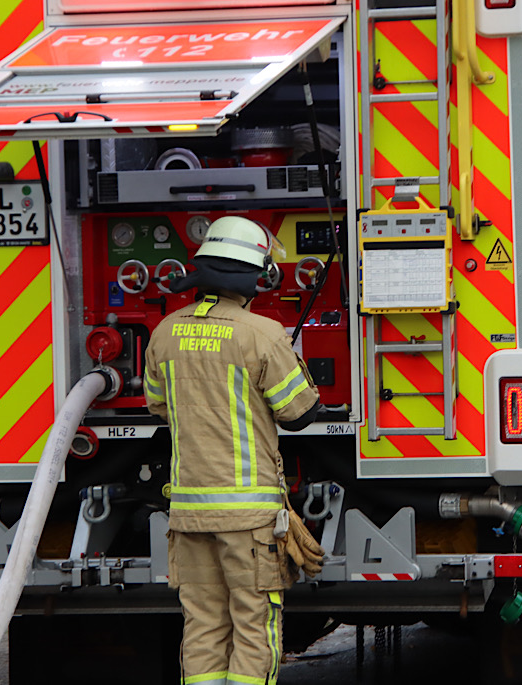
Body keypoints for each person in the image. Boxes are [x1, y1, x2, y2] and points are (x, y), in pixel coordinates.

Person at [143, 215, 322, 685]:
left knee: (201, 625)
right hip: (247, 518)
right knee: (253, 623)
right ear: (256, 277)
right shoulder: (261, 334)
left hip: (188, 514)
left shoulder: (164, 333)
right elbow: (298, 412)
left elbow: (157, 406)